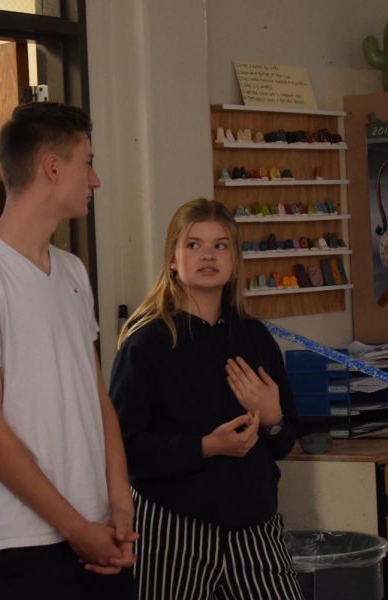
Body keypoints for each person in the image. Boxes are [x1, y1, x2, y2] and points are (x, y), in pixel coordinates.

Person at [0, 102, 136, 599]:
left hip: (97, 530)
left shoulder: (72, 271)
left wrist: (119, 504)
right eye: (86, 163)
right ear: (51, 167)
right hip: (18, 544)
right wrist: (74, 528)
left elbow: (97, 398)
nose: (95, 180)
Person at [109, 198, 304, 599]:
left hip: (253, 524)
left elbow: (284, 444)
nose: (207, 255)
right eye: (193, 245)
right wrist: (206, 447)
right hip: (172, 526)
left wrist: (273, 417)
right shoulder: (146, 343)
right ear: (173, 261)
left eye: (220, 245)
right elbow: (123, 448)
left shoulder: (256, 339)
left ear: (234, 260)